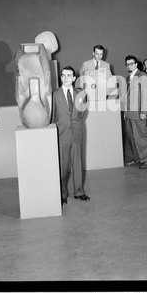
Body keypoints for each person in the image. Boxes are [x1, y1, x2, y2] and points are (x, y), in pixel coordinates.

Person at [52, 66, 90, 204]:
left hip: (77, 132)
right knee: (62, 165)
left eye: (69, 75)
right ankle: (62, 194)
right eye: (63, 75)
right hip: (62, 133)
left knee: (77, 163)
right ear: (61, 77)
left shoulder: (81, 94)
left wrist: (75, 123)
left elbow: (82, 113)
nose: (66, 78)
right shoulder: (54, 95)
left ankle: (79, 191)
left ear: (74, 78)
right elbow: (52, 116)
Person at [124, 55, 147, 169]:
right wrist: (125, 111)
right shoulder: (128, 78)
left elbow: (146, 95)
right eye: (127, 64)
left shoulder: (142, 76)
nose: (129, 66)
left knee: (141, 136)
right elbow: (127, 96)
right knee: (131, 137)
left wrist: (144, 112)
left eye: (131, 64)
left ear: (136, 64)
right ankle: (137, 159)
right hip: (130, 113)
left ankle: (146, 160)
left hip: (139, 112)